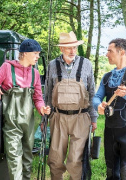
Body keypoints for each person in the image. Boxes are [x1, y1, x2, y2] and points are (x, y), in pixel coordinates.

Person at [0, 39, 51, 180]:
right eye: (35, 53)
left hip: (28, 123)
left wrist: (42, 108)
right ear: (25, 53)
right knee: (14, 159)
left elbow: (38, 98)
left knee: (27, 158)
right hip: (11, 123)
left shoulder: (35, 74)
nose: (37, 56)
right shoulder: (7, 67)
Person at [44, 31, 98, 180]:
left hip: (81, 117)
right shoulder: (52, 65)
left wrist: (94, 118)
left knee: (76, 160)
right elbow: (47, 93)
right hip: (58, 117)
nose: (72, 51)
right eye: (68, 48)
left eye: (74, 47)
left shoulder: (86, 64)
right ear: (61, 48)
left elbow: (92, 92)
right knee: (55, 159)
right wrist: (45, 118)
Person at [92, 38, 126, 179]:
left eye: (110, 51)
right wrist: (98, 105)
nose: (107, 54)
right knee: (111, 171)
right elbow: (96, 97)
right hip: (110, 131)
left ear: (121, 52)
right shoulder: (107, 77)